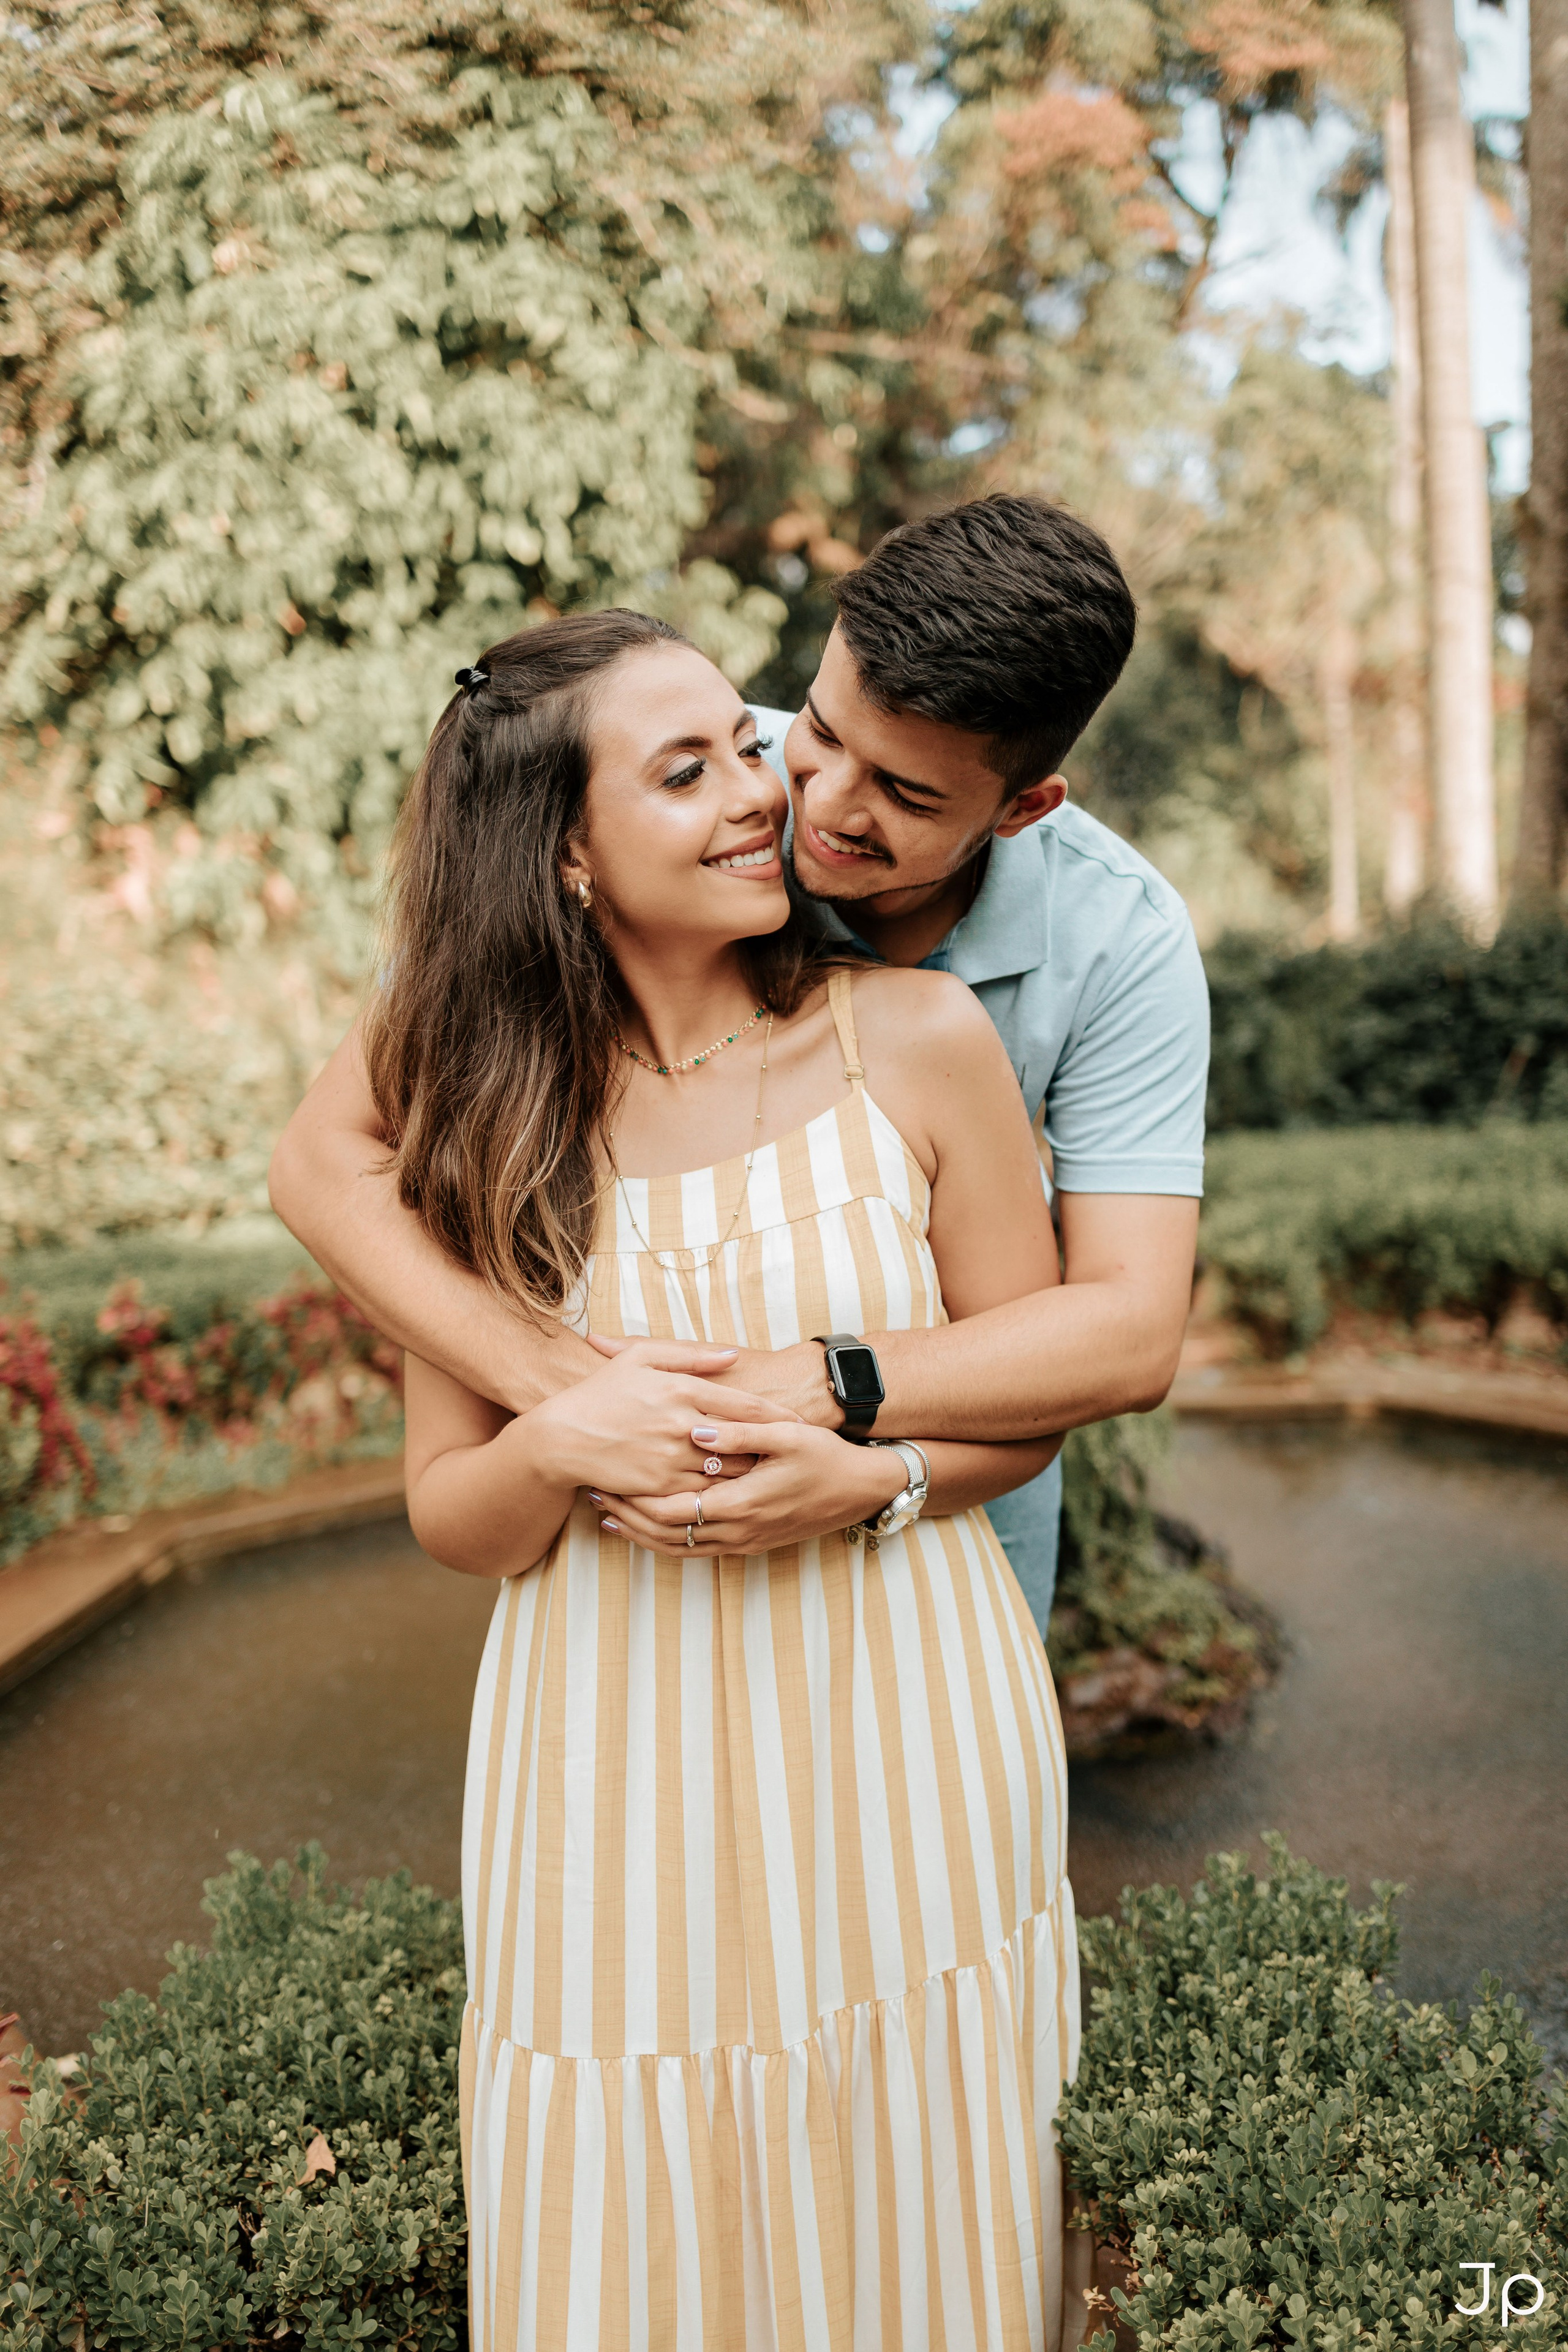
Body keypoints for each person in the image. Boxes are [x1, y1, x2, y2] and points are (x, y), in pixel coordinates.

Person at [379, 609, 1077, 2346]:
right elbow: (451, 1517)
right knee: (633, 2208)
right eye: (684, 771)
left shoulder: (913, 1041)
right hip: (610, 1749)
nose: (762, 791)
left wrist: (871, 1479)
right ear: (565, 854)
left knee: (922, 2177)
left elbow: (1034, 1405)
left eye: (746, 747)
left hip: (904, 1706)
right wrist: (551, 1438)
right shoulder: (481, 1121)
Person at [270, 492, 1208, 1640]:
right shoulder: (686, 777)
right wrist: (570, 1396)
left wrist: (827, 1391)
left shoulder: (1121, 941)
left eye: (905, 794)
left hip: (943, 1528)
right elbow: (325, 1156)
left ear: (1024, 808)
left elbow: (1129, 1329)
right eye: (818, 731)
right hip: (628, 1587)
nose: (813, 805)